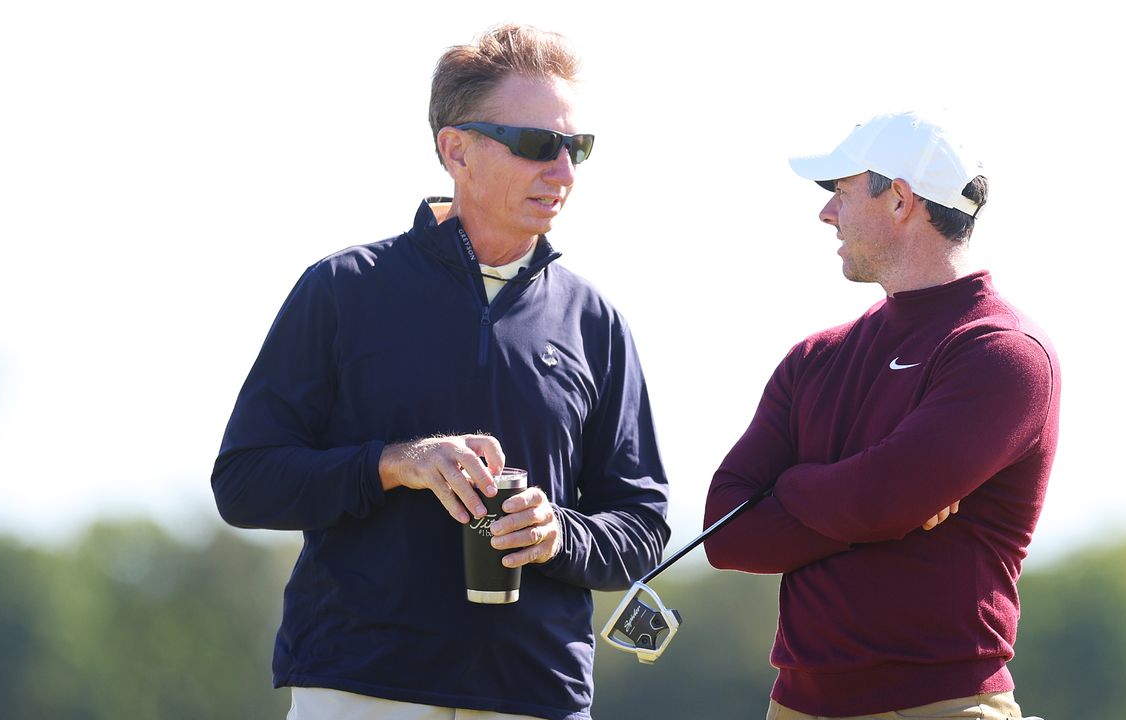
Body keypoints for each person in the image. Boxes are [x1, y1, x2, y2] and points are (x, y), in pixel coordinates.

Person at [211, 24, 670, 720]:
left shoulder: (594, 321)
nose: (565, 171)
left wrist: (558, 534)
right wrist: (395, 464)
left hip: (536, 692)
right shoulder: (342, 288)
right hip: (360, 685)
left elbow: (641, 525)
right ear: (455, 150)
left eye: (576, 148)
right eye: (538, 145)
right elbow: (245, 484)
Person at [703, 110, 1060, 720]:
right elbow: (727, 530)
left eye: (840, 192)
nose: (826, 213)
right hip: (796, 706)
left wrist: (793, 489)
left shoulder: (1003, 352)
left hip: (942, 705)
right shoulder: (815, 357)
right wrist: (877, 499)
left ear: (899, 199)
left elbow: (881, 501)